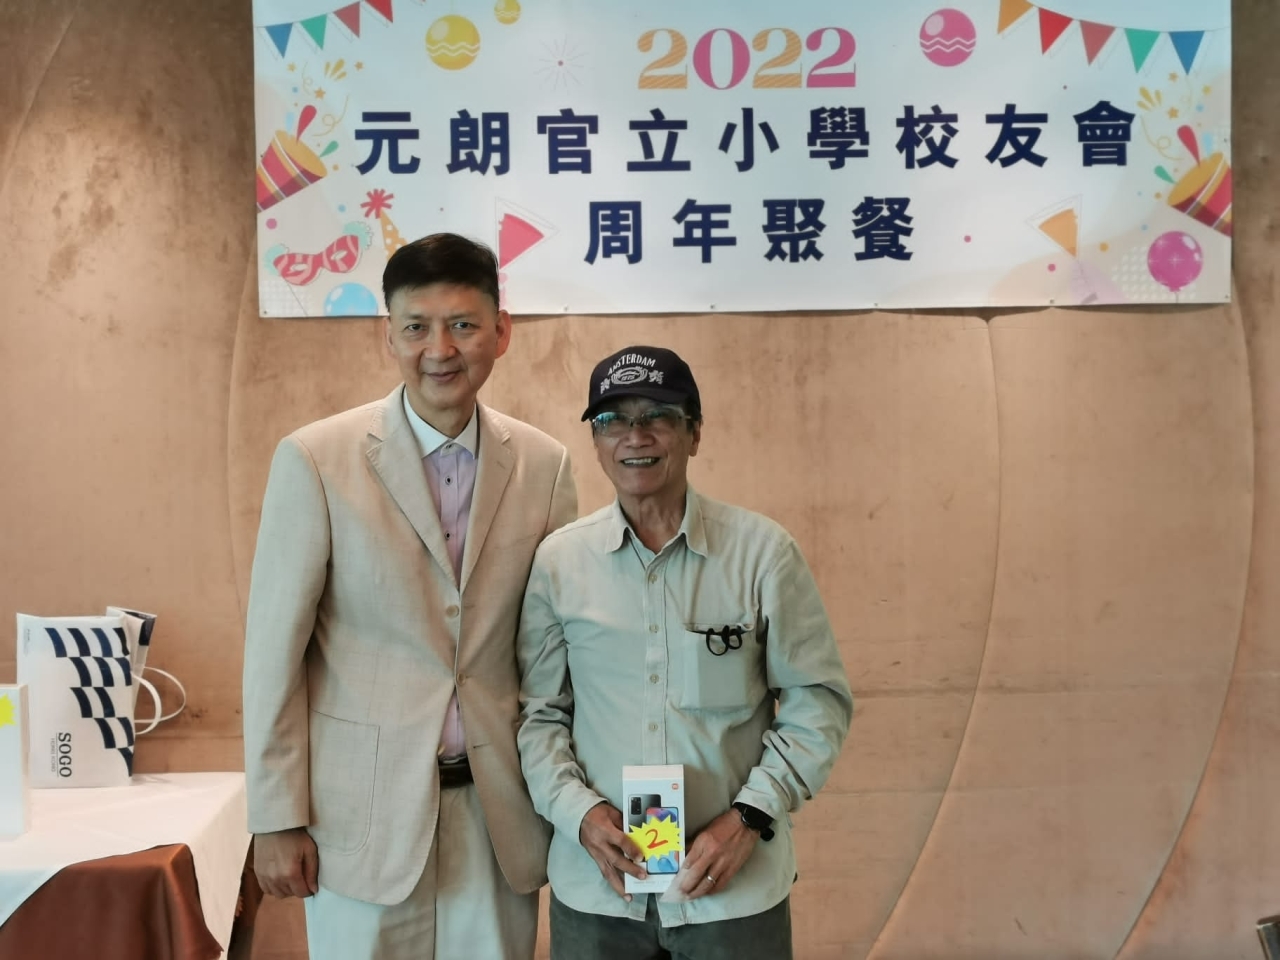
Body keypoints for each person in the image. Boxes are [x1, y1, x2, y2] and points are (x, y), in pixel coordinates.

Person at [243, 233, 577, 960]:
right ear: (387, 335)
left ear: (501, 331)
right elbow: (274, 653)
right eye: (417, 327)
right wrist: (275, 815)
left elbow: (554, 653)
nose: (440, 349)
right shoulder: (316, 459)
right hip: (359, 818)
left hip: (498, 812)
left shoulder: (545, 466)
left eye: (463, 325)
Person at [517, 345, 853, 960]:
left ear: (695, 433)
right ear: (595, 441)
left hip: (732, 891)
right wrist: (580, 814)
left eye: (658, 416)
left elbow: (817, 704)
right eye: (612, 420)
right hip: (599, 892)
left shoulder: (762, 554)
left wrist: (750, 818)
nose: (634, 436)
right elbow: (539, 716)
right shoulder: (559, 563)